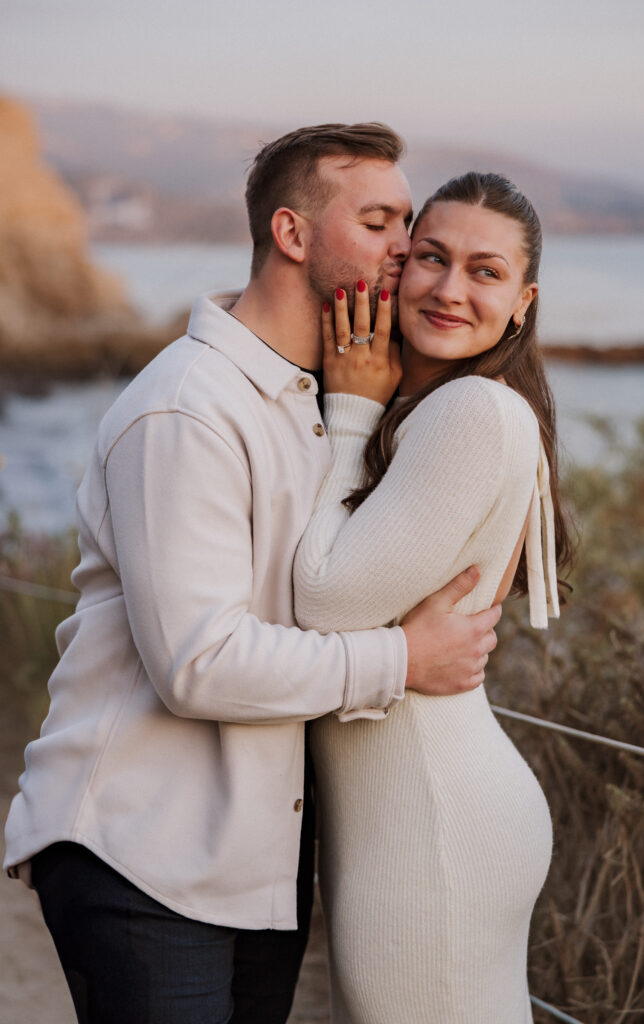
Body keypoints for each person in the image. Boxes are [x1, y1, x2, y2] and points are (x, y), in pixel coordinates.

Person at [3, 126, 502, 1024]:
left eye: (405, 220)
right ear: (292, 235)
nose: (405, 246)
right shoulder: (186, 410)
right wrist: (401, 659)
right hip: (142, 856)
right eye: (380, 220)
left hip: (254, 871)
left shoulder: (319, 400)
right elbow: (200, 663)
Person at [293, 172, 575, 1023]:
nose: (450, 289)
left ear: (521, 302)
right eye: (430, 258)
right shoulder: (428, 408)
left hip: (429, 826)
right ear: (398, 266)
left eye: (484, 272)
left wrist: (346, 411)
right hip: (408, 816)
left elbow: (326, 603)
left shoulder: (472, 413)